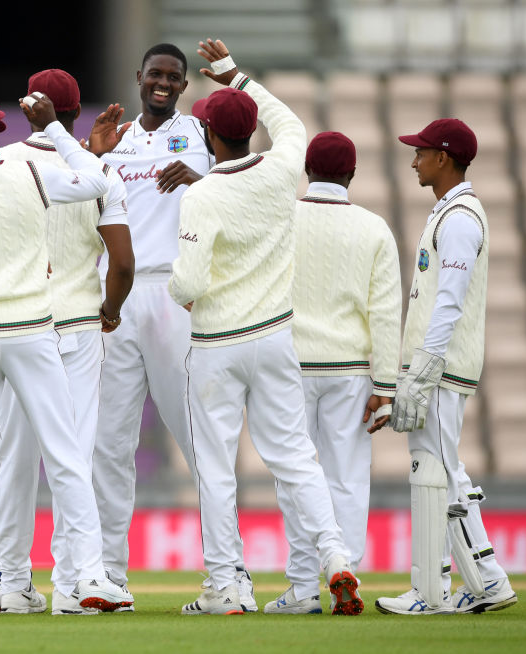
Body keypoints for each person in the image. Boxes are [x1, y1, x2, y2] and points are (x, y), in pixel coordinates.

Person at [0, 90, 134, 616]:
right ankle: (86, 576)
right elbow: (98, 178)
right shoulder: (34, 174)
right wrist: (57, 129)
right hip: (33, 330)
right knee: (65, 453)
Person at [170, 39, 361, 616]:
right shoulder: (283, 170)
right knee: (295, 456)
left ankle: (225, 585)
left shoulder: (202, 193)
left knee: (216, 465)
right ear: (251, 129)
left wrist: (178, 286)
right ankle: (336, 557)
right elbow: (292, 120)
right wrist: (236, 77)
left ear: (207, 137)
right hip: (276, 338)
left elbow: (189, 283)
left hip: (218, 347)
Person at [89, 43, 256, 611]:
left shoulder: (203, 139)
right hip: (115, 295)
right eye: (155, 74)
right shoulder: (115, 140)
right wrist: (93, 155)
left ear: (184, 86)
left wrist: (204, 178)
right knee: (109, 443)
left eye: (174, 77)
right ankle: (108, 576)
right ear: (138, 78)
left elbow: (244, 188)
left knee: (198, 438)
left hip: (175, 292)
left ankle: (229, 576)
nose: (163, 83)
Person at [0, 69, 134, 616]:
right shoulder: (100, 171)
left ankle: (7, 581)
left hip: (18, 323)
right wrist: (110, 311)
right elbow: (122, 263)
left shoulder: (2, 164)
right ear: (76, 113)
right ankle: (75, 582)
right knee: (72, 456)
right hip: (79, 325)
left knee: (15, 459)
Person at [375, 118, 518, 615]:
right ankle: (471, 582)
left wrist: (425, 367)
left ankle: (451, 588)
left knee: (437, 471)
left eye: (420, 152)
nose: (413, 160)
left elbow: (450, 302)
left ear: (444, 157)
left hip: (441, 367)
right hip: (436, 366)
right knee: (441, 471)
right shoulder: (449, 212)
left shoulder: (459, 217)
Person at [265, 131, 401, 614]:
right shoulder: (374, 228)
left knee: (297, 476)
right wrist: (385, 387)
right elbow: (385, 313)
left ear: (307, 170)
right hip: (351, 371)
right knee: (346, 477)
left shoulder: (281, 218)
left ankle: (303, 587)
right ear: (351, 174)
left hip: (288, 366)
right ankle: (345, 567)